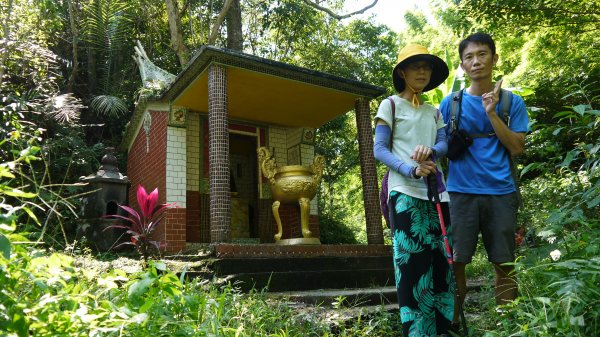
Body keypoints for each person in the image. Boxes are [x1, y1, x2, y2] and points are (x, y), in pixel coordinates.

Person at [439, 32, 529, 324]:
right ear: (462, 65)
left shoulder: (512, 103)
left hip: (501, 192)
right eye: (469, 57)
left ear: (494, 58)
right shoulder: (449, 104)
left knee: (504, 264)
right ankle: (454, 326)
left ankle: (507, 325)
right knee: (456, 264)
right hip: (459, 193)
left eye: (482, 54)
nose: (476, 61)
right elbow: (437, 146)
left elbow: (516, 147)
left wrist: (491, 113)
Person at [374, 44, 454, 337]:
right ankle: (419, 333)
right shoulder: (390, 105)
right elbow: (379, 149)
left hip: (437, 195)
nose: (422, 71)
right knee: (411, 268)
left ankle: (443, 330)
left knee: (441, 265)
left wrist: (432, 151)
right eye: (415, 66)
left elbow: (444, 144)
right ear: (402, 72)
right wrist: (411, 169)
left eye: (427, 67)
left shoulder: (434, 112)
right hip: (405, 193)